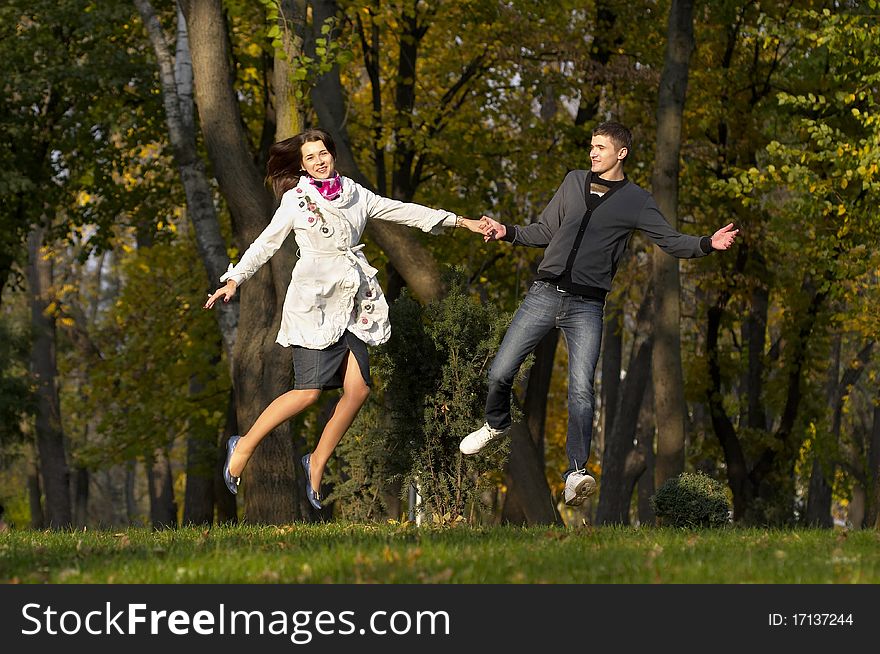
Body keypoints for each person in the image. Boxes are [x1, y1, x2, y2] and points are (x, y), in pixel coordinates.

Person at [460, 121, 738, 507]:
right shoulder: (573, 182)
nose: (592, 153)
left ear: (621, 153)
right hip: (543, 294)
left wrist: (708, 243)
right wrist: (507, 231)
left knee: (581, 390)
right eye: (591, 146)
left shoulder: (636, 201)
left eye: (601, 147)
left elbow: (671, 241)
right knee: (500, 372)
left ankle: (576, 473)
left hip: (586, 306)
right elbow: (544, 230)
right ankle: (496, 422)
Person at [205, 128, 485, 509]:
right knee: (308, 392)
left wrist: (461, 221)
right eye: (311, 157)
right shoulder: (296, 201)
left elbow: (405, 211)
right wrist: (235, 279)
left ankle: (316, 460)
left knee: (359, 390)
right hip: (315, 305)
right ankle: (244, 445)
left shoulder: (356, 194)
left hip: (354, 301)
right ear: (301, 165)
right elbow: (266, 242)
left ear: (331, 154)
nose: (320, 161)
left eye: (323, 153)